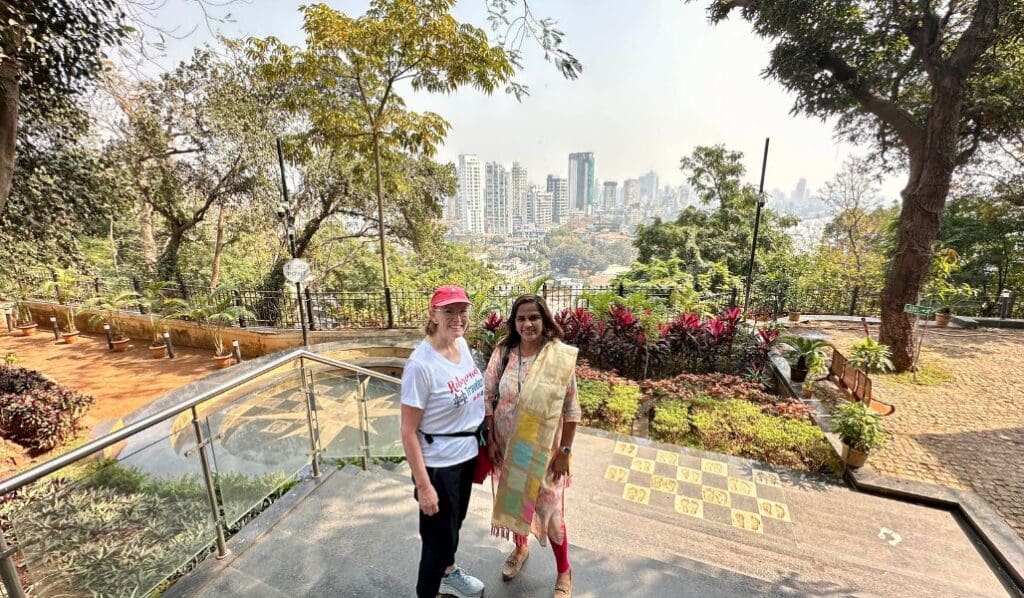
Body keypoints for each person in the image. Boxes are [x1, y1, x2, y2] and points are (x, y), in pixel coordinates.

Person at [484, 294, 580, 598]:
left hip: (545, 452)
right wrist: (491, 439)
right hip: (509, 448)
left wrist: (564, 453)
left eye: (534, 318)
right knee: (515, 503)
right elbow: (488, 396)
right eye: (521, 318)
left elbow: (572, 410)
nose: (528, 324)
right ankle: (520, 549)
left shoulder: (558, 358)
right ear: (514, 323)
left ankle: (564, 570)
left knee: (551, 514)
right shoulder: (504, 352)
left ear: (544, 321)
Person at [400, 285, 487, 598]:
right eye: (449, 311)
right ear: (432, 313)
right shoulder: (420, 366)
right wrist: (424, 487)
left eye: (462, 310)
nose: (458, 318)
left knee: (453, 527)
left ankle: (448, 574)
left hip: (465, 456)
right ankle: (428, 591)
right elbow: (408, 431)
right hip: (438, 466)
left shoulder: (460, 345)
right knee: (436, 542)